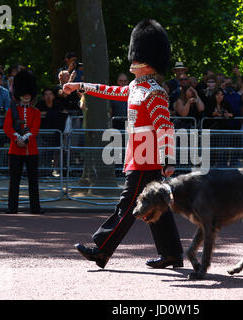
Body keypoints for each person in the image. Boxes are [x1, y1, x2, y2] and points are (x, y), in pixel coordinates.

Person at [63, 19, 183, 270]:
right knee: (156, 205)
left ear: (147, 61)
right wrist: (80, 86)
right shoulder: (135, 86)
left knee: (128, 205)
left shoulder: (155, 92)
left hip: (146, 158)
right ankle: (171, 253)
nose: (131, 61)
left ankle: (102, 249)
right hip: (136, 154)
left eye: (136, 57)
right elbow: (108, 91)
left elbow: (165, 127)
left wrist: (169, 158)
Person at [3, 70, 43, 215]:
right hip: (15, 149)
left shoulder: (36, 112)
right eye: (24, 93)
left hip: (31, 149)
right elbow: (7, 127)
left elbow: (35, 128)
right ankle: (12, 207)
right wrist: (17, 138)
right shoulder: (12, 111)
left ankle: (35, 208)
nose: (26, 96)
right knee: (14, 181)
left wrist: (25, 138)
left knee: (33, 181)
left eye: (28, 93)